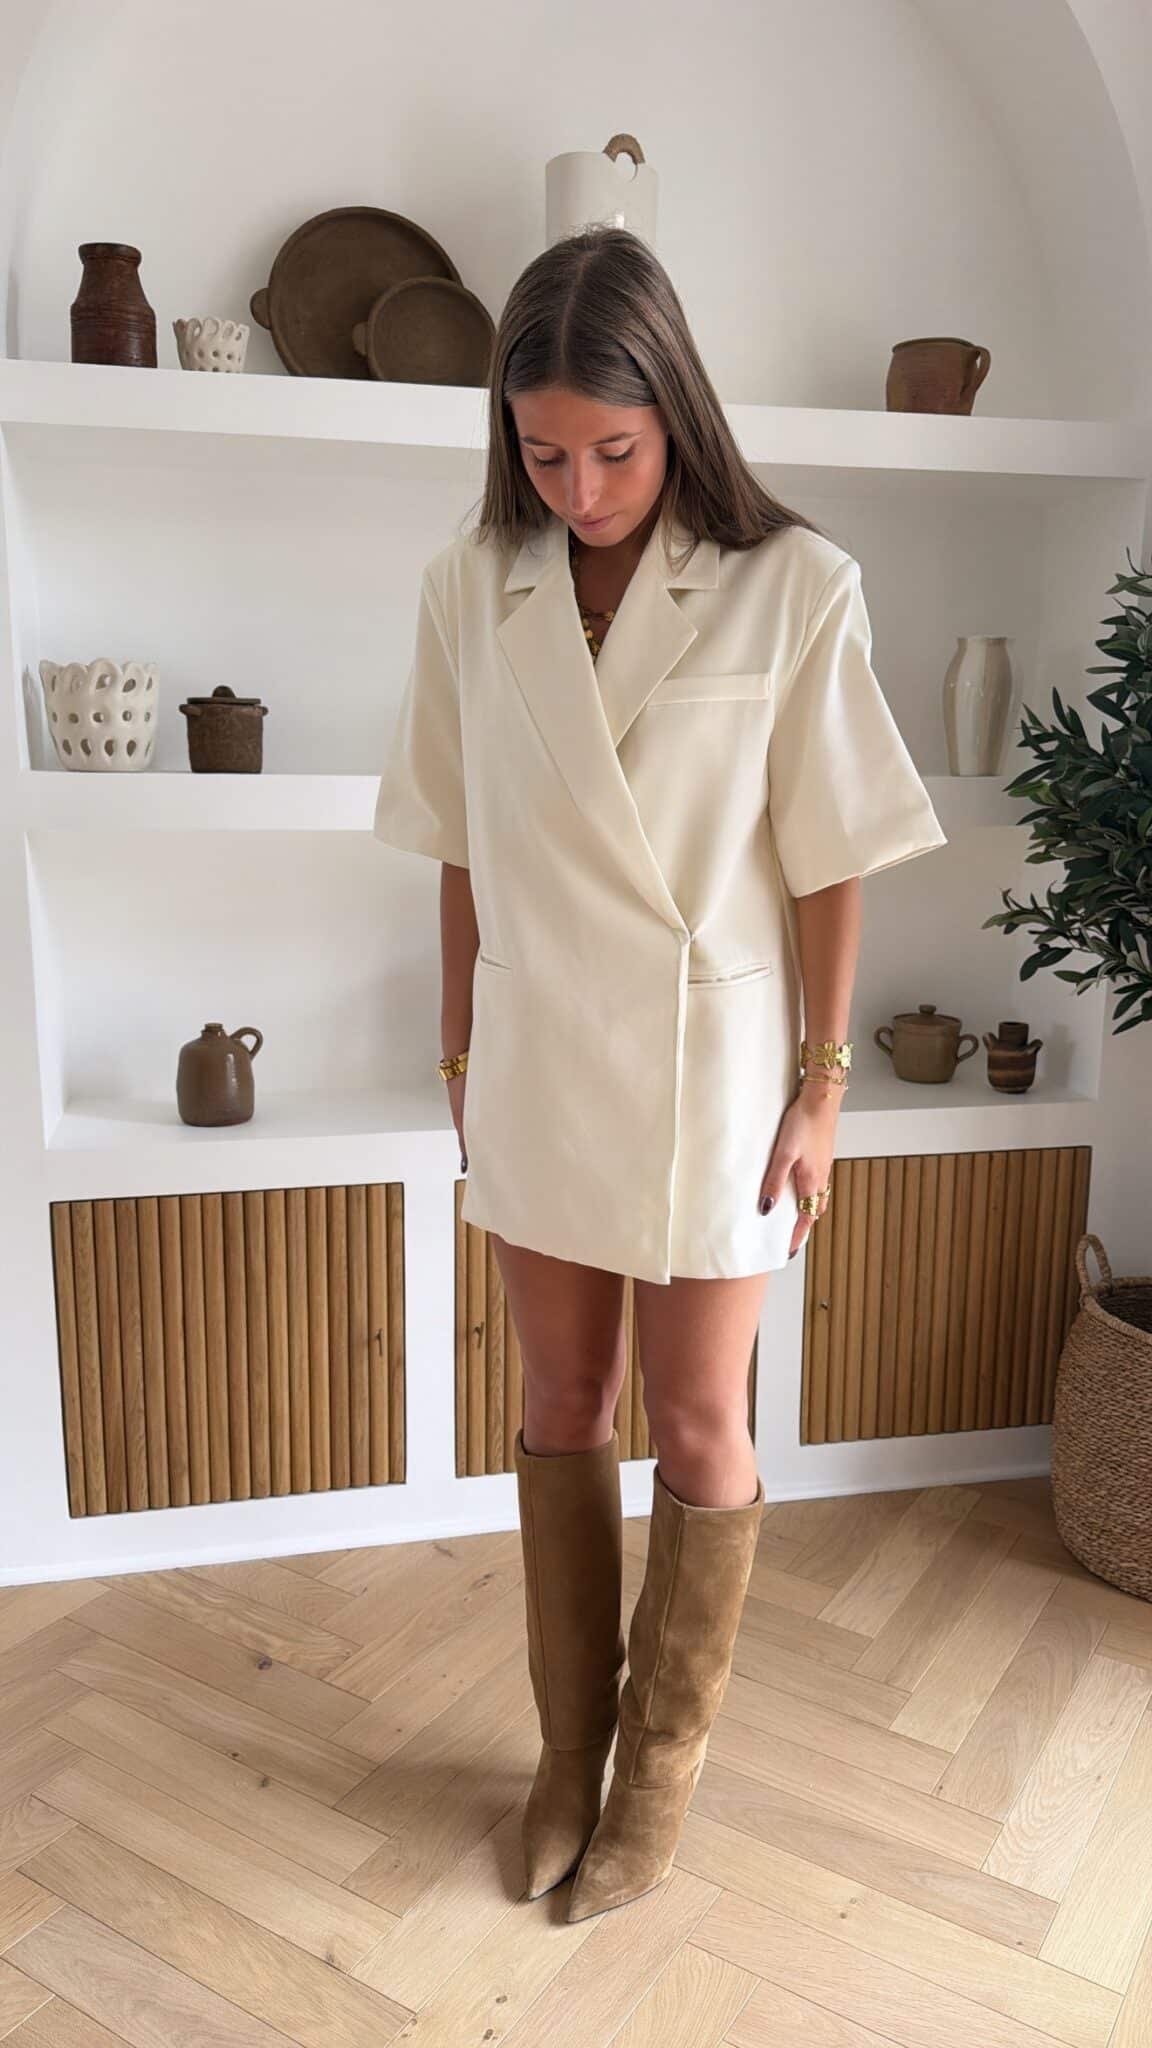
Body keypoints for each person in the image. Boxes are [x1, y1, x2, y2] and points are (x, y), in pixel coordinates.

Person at [372, 225, 947, 1920]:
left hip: (719, 1065)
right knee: (562, 1404)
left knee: (700, 1416)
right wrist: (460, 1045)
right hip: (541, 1044)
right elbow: (458, 846)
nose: (581, 488)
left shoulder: (795, 583)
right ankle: (568, 1753)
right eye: (544, 453)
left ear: (676, 413)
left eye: (614, 451)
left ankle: (658, 1777)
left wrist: (824, 1083)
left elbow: (832, 856)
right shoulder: (470, 586)